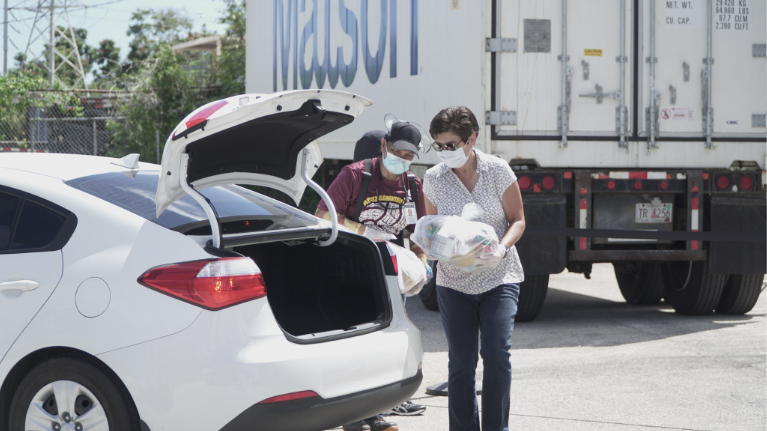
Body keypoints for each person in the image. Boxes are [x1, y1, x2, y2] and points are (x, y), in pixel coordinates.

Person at [315, 118, 430, 431]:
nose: (402, 159)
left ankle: (374, 413)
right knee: (355, 341)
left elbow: (419, 232)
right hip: (346, 268)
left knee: (383, 343)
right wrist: (364, 230)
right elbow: (322, 215)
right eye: (396, 151)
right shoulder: (354, 175)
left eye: (409, 156)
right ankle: (356, 418)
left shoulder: (411, 185)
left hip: (385, 274)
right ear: (384, 146)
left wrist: (421, 260)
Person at [422, 106, 525, 431]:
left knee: (496, 354)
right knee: (461, 364)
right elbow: (432, 228)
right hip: (454, 284)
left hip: (499, 276)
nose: (444, 152)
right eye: (438, 145)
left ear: (472, 139)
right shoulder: (434, 178)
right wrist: (433, 249)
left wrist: (501, 247)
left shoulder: (497, 170)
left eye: (451, 145)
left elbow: (518, 220)